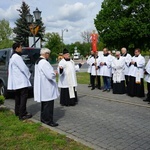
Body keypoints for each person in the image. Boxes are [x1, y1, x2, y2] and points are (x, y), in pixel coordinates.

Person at [34, 48, 59, 127]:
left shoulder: (38, 61)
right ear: (46, 54)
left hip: (42, 85)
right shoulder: (44, 62)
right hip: (47, 86)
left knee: (44, 104)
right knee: (48, 105)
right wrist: (54, 73)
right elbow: (50, 75)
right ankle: (48, 121)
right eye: (48, 54)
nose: (49, 55)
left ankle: (43, 119)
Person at [7, 42, 32, 120]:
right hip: (21, 81)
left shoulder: (12, 57)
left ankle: (17, 112)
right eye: (21, 47)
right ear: (17, 48)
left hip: (17, 82)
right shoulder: (17, 57)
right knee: (23, 98)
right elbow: (23, 68)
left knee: (17, 97)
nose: (22, 48)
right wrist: (29, 73)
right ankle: (22, 114)